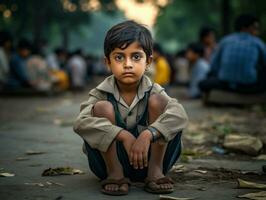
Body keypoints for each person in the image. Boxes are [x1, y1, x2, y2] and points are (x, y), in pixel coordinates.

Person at [73, 21, 188, 196]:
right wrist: (122, 135)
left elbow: (180, 116)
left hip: (152, 161)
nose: (128, 64)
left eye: (136, 57)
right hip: (108, 166)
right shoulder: (100, 93)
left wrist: (149, 133)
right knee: (102, 108)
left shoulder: (154, 91)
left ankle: (155, 171)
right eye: (119, 57)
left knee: (160, 103)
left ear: (148, 61)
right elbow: (80, 123)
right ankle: (116, 173)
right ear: (108, 63)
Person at [200, 14, 266, 95]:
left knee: (202, 83)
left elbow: (213, 67)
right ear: (245, 27)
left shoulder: (225, 41)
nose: (257, 32)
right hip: (249, 86)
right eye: (255, 28)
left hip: (225, 85)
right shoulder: (258, 43)